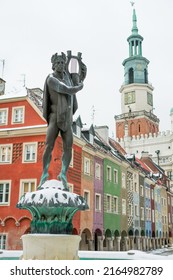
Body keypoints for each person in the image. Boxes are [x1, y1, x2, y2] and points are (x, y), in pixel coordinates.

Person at [39, 51, 87, 191]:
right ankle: (44, 173)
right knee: (49, 145)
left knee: (68, 146)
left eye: (62, 63)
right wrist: (78, 87)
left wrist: (80, 64)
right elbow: (65, 89)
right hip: (54, 117)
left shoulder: (67, 77)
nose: (60, 65)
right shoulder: (51, 79)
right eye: (58, 63)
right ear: (53, 66)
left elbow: (80, 77)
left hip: (67, 119)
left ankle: (63, 173)